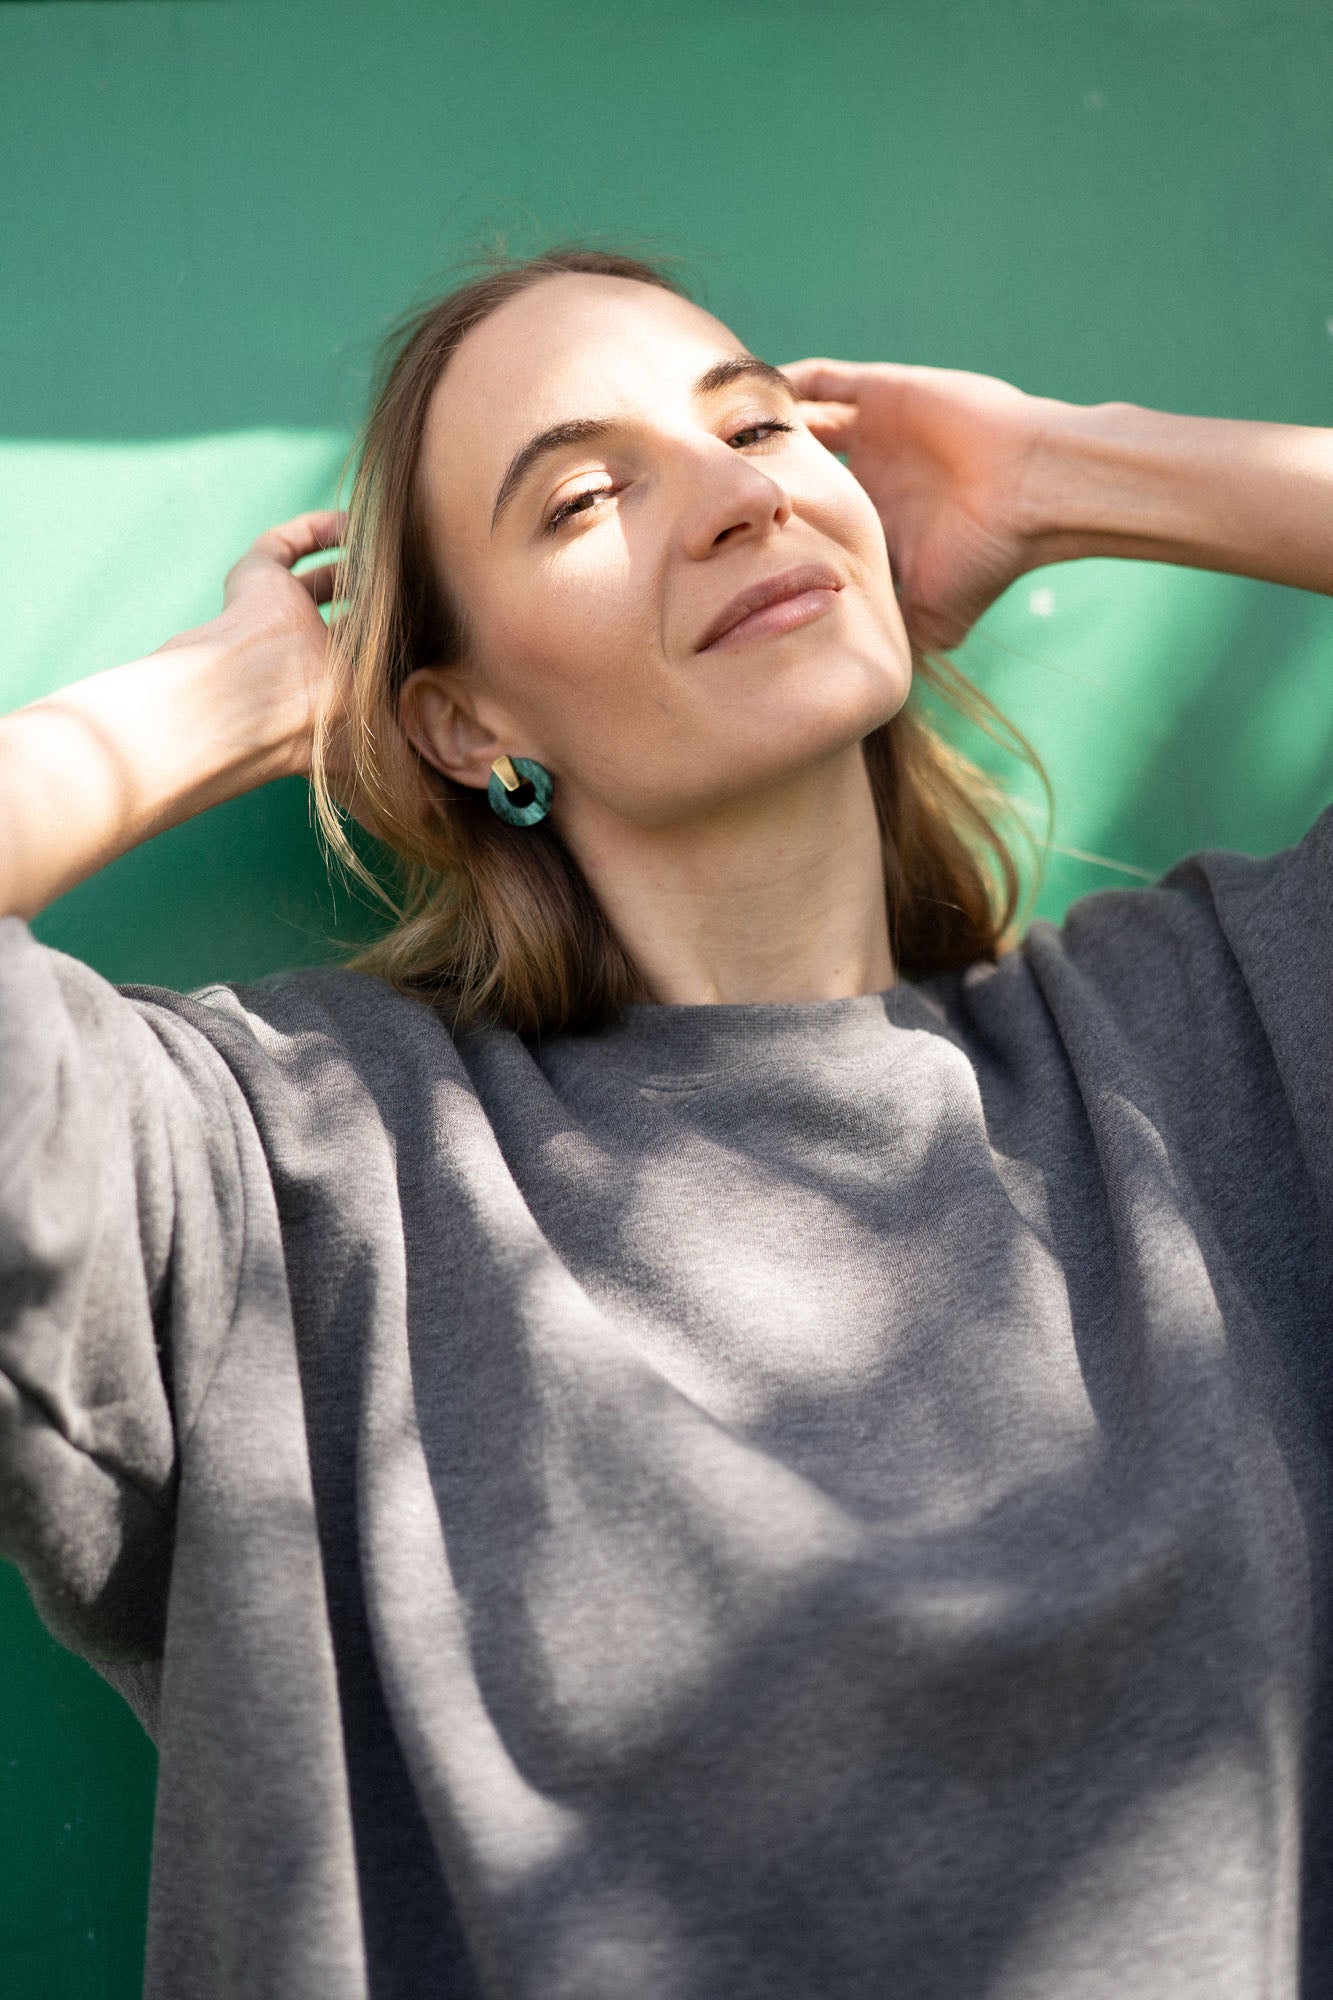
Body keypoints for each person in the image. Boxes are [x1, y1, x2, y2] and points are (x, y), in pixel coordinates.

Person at [2, 244, 1331, 2000]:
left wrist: (1059, 472)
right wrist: (228, 699)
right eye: (582, 498)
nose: (736, 497)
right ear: (464, 723)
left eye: (758, 426)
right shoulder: (284, 1174)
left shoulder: (1217, 1034)